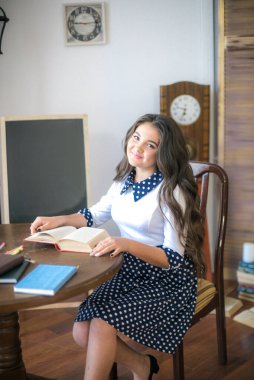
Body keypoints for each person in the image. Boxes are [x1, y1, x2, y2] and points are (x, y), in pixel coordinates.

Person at [30, 114, 205, 380]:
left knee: (101, 324)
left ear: (163, 153)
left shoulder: (172, 191)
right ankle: (143, 366)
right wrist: (57, 219)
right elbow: (95, 214)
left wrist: (125, 243)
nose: (138, 148)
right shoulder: (123, 181)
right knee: (81, 331)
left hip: (167, 278)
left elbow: (172, 258)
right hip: (128, 269)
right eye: (136, 137)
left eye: (150, 145)